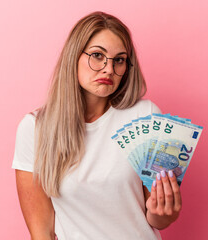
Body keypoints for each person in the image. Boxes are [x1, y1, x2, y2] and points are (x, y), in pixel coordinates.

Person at [12, 11, 182, 240]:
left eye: (119, 60)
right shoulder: (34, 129)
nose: (109, 69)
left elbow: (156, 219)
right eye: (97, 55)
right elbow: (41, 232)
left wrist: (166, 211)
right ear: (74, 57)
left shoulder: (147, 116)